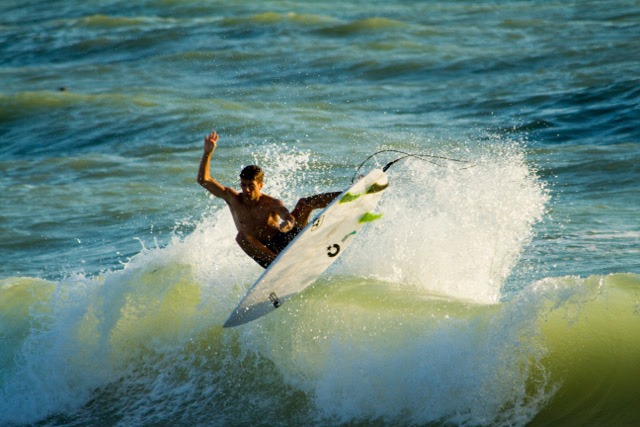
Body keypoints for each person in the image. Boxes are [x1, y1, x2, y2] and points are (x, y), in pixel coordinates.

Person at [197, 131, 341, 268]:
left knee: (304, 203)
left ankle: (348, 194)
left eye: (251, 186)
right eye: (243, 185)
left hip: (286, 240)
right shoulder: (232, 198)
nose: (246, 190)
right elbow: (204, 180)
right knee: (241, 237)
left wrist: (288, 223)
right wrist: (207, 153)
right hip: (266, 253)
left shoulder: (270, 203)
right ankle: (278, 265)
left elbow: (286, 215)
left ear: (260, 185)